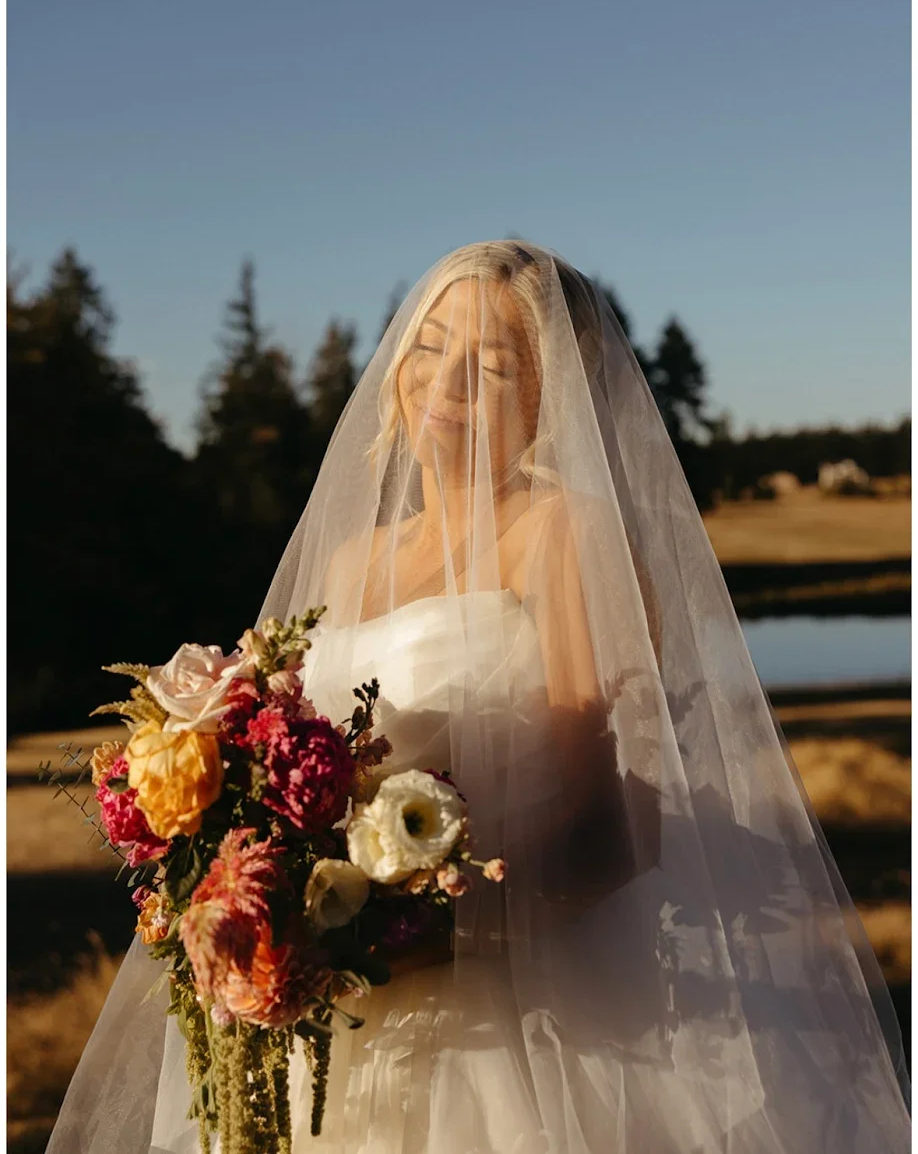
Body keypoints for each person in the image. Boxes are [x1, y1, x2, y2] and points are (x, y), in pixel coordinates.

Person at [48, 241, 909, 1153]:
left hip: (509, 1023)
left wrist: (413, 936)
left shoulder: (565, 535)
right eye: (428, 348)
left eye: (493, 366)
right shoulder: (348, 560)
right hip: (336, 1019)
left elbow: (611, 828)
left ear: (551, 403)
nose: (447, 384)